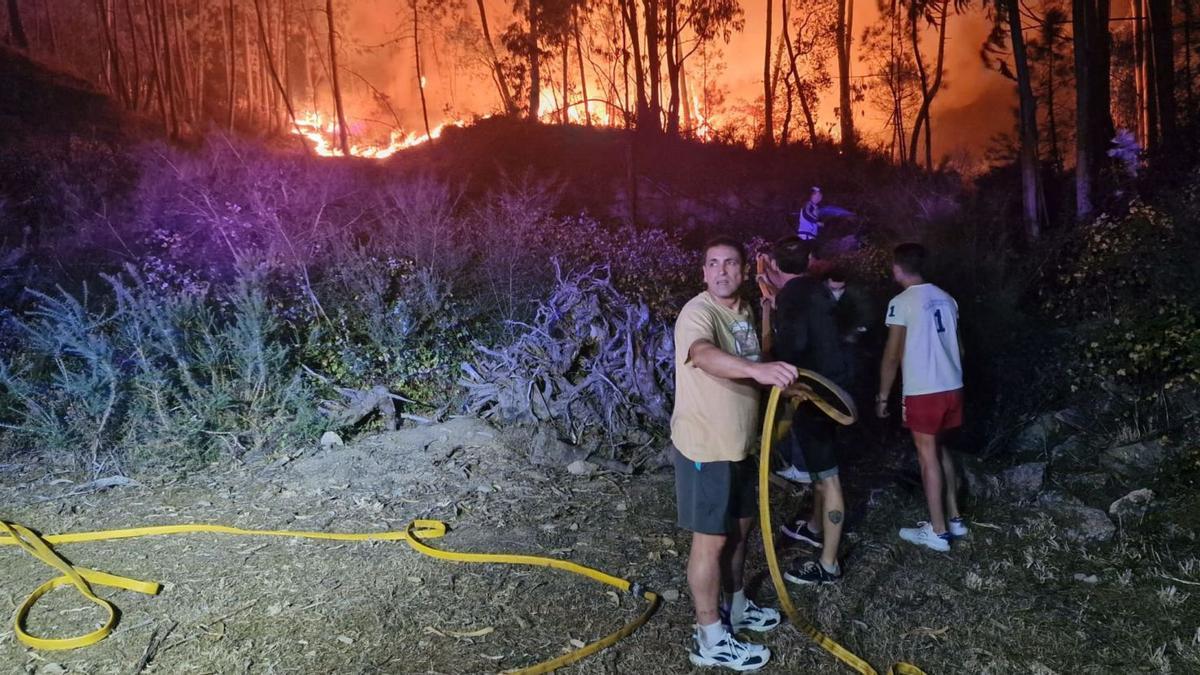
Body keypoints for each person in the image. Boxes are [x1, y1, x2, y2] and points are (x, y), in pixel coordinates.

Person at [672, 236, 799, 671]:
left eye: (730, 264)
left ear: (744, 271)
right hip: (706, 445)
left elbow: (755, 353)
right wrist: (756, 370)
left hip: (741, 445)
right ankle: (710, 638)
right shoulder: (697, 313)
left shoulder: (743, 309)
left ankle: (738, 607)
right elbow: (704, 355)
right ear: (703, 272)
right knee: (711, 541)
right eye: (713, 264)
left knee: (740, 533)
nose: (722, 271)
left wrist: (771, 361)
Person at [761, 236, 852, 584]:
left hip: (814, 395)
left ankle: (828, 565)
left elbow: (787, 350)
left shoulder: (791, 298)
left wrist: (770, 315)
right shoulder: (818, 289)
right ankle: (814, 527)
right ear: (810, 260)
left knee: (829, 478)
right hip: (835, 388)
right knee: (819, 467)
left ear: (774, 265)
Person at [876, 243, 968, 552]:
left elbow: (891, 355)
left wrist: (883, 396)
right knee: (939, 448)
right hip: (952, 385)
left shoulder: (901, 302)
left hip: (924, 390)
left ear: (898, 267)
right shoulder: (947, 297)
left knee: (926, 455)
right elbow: (960, 348)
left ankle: (938, 531)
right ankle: (955, 517)